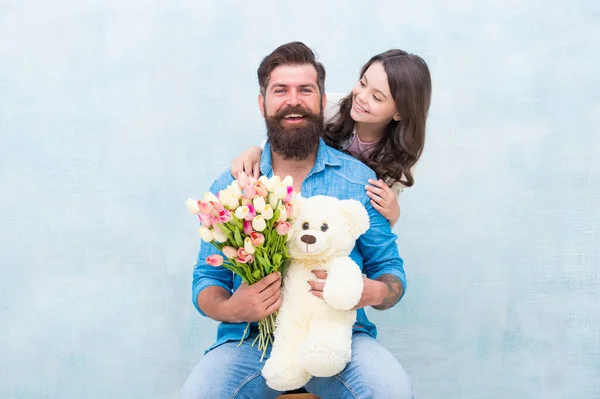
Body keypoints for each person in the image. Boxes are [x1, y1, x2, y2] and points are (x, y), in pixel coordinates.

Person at [181, 42, 413, 399]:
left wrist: (375, 291)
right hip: (249, 343)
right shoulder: (234, 185)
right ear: (263, 104)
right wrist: (230, 307)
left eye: (305, 90)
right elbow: (206, 279)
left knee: (390, 391)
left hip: (339, 339)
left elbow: (391, 272)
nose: (294, 100)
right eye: (280, 90)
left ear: (322, 100)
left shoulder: (359, 181)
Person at [231, 48, 432, 226]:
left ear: (400, 113)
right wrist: (256, 150)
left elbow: (379, 219)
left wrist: (394, 215)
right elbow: (285, 136)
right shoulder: (330, 107)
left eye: (376, 97)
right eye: (362, 83)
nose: (361, 97)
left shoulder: (404, 153)